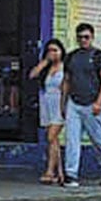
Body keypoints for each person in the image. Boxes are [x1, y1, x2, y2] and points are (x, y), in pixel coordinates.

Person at [62, 23, 101, 188]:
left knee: (99, 141)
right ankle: (71, 175)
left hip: (93, 104)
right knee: (72, 140)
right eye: (80, 37)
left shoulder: (99, 56)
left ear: (92, 37)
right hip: (74, 103)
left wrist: (99, 103)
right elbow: (66, 81)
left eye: (86, 37)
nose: (83, 40)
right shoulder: (71, 57)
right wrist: (63, 104)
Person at [30, 40, 67, 185]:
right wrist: (45, 61)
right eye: (50, 50)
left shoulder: (65, 68)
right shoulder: (47, 67)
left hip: (59, 104)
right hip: (47, 103)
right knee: (53, 140)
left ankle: (51, 171)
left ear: (62, 52)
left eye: (56, 50)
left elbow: (66, 88)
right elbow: (32, 74)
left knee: (51, 136)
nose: (53, 53)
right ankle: (58, 173)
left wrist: (64, 107)